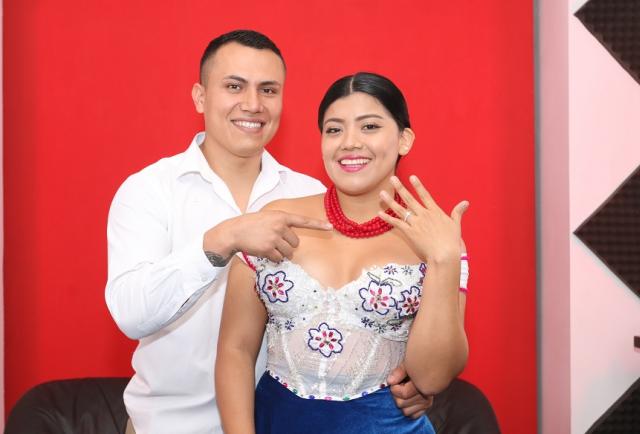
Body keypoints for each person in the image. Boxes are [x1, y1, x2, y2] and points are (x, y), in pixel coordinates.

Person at [105, 31, 433, 434]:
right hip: (169, 426)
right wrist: (223, 240)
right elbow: (131, 314)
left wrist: (411, 380)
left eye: (268, 89)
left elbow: (364, 313)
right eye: (234, 86)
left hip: (276, 422)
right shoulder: (150, 190)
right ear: (200, 97)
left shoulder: (313, 196)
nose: (253, 104)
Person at [216, 72, 470, 433]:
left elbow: (431, 378)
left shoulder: (436, 240)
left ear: (404, 139)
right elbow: (236, 350)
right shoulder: (276, 221)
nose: (350, 142)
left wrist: (444, 260)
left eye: (369, 127)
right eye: (334, 129)